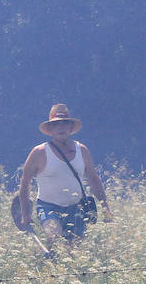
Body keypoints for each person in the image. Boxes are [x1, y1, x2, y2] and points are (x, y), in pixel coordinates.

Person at [17, 103, 111, 253]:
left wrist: (105, 207)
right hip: (49, 206)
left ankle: (65, 271)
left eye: (65, 123)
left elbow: (93, 178)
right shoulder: (39, 152)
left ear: (70, 128)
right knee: (54, 236)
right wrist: (25, 213)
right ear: (50, 130)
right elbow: (25, 181)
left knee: (74, 249)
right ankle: (51, 268)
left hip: (77, 207)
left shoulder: (82, 150)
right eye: (56, 124)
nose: (61, 128)